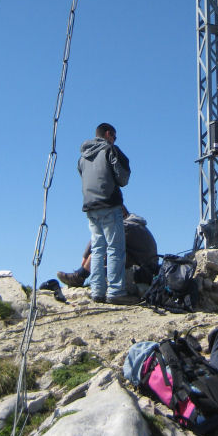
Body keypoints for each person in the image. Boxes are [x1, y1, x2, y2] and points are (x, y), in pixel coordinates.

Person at [78, 122, 137, 305]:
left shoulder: (82, 157)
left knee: (97, 249)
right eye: (114, 137)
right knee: (115, 249)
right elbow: (122, 178)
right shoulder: (109, 150)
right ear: (108, 134)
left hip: (90, 206)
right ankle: (116, 291)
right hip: (109, 203)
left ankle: (97, 291)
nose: (114, 140)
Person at [58, 207, 159, 288]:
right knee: (110, 250)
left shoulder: (126, 226)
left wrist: (85, 256)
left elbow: (99, 239)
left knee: (101, 250)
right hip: (146, 269)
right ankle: (82, 276)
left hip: (142, 273)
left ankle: (79, 277)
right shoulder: (136, 225)